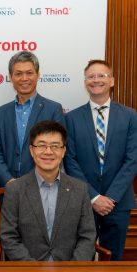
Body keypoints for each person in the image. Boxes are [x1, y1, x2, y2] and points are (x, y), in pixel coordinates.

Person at [64, 60, 137, 261]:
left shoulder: (130, 116)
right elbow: (70, 161)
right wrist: (94, 197)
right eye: (91, 76)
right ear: (85, 81)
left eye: (101, 76)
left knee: (113, 259)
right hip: (82, 200)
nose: (96, 80)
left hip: (118, 202)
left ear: (112, 81)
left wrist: (110, 197)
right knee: (79, 258)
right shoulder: (71, 118)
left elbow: (133, 159)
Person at [0, 120, 96, 261]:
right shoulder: (15, 189)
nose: (48, 152)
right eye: (42, 145)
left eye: (55, 146)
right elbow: (9, 237)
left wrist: (71, 269)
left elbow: (87, 237)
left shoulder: (80, 189)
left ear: (63, 151)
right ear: (31, 150)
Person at [0, 51, 64, 192]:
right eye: (18, 74)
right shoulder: (0, 114)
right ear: (10, 77)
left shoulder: (54, 109)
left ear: (37, 75)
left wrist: (35, 182)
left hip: (42, 189)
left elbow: (56, 149)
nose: (24, 78)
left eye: (29, 73)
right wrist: (8, 181)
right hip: (7, 190)